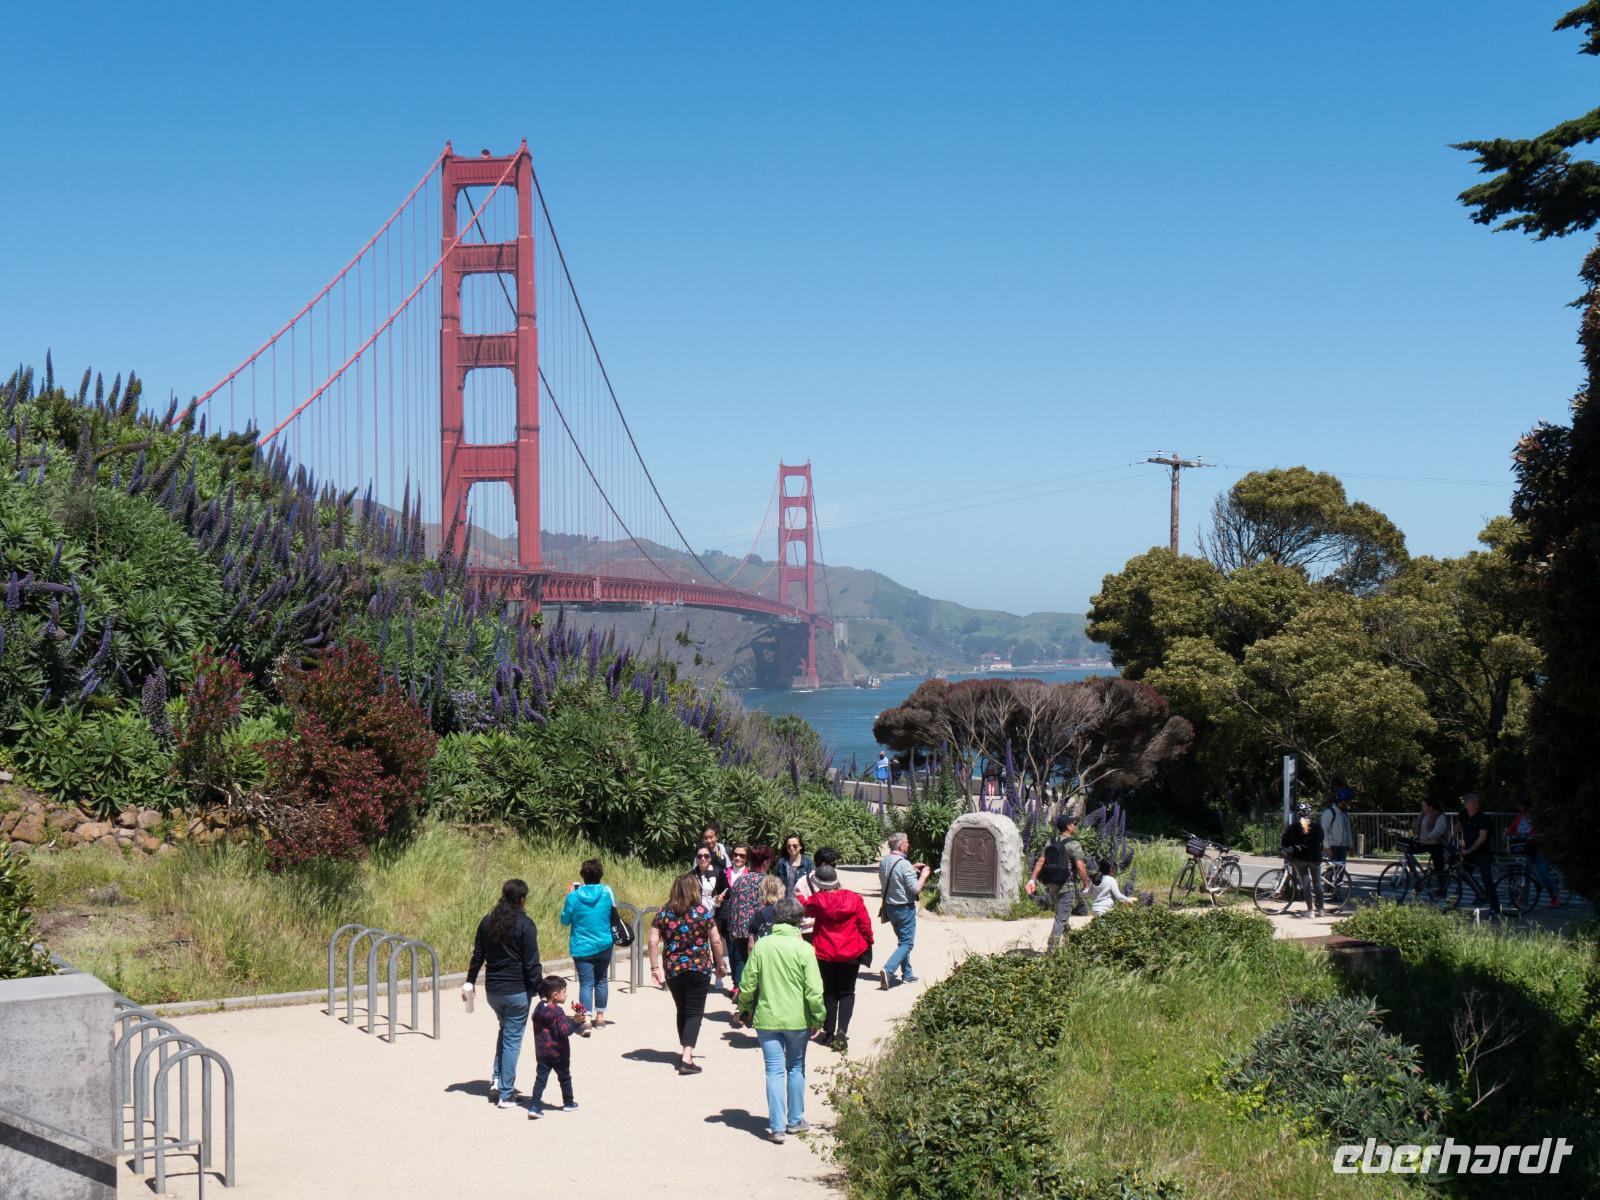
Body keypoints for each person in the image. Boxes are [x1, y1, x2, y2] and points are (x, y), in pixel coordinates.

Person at [737, 898, 825, 1144]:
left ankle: (776, 1126)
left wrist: (744, 1007)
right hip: (798, 1019)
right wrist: (818, 1016)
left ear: (775, 919)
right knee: (796, 1067)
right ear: (799, 921)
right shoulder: (805, 949)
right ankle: (795, 1120)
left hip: (767, 1019)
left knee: (773, 1071)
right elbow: (814, 990)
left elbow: (748, 982)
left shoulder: (763, 946)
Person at [463, 879, 543, 1108]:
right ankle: (506, 1094)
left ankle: (497, 1081)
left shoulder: (487, 921)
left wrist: (470, 983)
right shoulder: (526, 925)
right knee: (512, 1040)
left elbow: (478, 956)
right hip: (517, 992)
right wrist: (542, 990)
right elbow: (531, 964)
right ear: (521, 899)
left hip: (493, 992)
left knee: (505, 1032)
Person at [648, 873, 728, 1074]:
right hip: (698, 967)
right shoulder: (703, 912)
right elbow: (716, 941)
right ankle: (687, 1056)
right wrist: (720, 965)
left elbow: (652, 941)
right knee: (694, 1012)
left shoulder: (664, 913)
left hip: (673, 968)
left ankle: (685, 1048)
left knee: (682, 1009)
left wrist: (654, 968)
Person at [800, 863, 872, 1051]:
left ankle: (829, 1033)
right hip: (851, 951)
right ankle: (842, 1030)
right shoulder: (853, 898)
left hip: (826, 952)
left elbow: (804, 910)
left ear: (819, 884)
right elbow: (864, 923)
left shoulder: (817, 901)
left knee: (829, 992)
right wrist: (868, 941)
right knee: (847, 992)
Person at [559, 858, 615, 1031]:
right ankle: (600, 1018)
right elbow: (613, 910)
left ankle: (586, 1019)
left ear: (582, 875)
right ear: (601, 875)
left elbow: (564, 920)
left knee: (586, 983)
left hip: (581, 946)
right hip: (604, 943)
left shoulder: (574, 897)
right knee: (601, 980)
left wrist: (569, 896)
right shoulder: (607, 892)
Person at [1025, 812, 1092, 947]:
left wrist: (1032, 880)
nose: (1075, 826)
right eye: (1073, 823)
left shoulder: (1050, 842)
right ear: (1068, 826)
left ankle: (1071, 943)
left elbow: (1040, 862)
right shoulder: (1074, 844)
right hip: (1066, 886)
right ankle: (1051, 950)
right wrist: (1086, 884)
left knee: (1063, 914)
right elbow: (1080, 866)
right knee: (1061, 919)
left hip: (1052, 886)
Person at [877, 832, 930, 988]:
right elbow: (915, 889)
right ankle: (888, 970)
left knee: (902, 942)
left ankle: (907, 974)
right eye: (907, 842)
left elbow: (894, 877)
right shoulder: (903, 864)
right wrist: (924, 876)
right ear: (901, 845)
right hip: (904, 908)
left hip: (890, 907)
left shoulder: (885, 861)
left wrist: (911, 868)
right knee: (907, 943)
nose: (909, 844)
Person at [527, 975, 582, 1118]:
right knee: (564, 1078)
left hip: (542, 1053)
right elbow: (565, 1031)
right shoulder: (558, 1012)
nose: (566, 994)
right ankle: (569, 1102)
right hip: (559, 1053)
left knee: (540, 1080)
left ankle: (534, 1105)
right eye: (564, 992)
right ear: (555, 995)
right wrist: (575, 1022)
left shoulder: (539, 1009)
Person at [724, 845, 773, 992]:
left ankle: (745, 1007)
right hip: (761, 936)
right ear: (766, 862)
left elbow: (732, 908)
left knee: (747, 972)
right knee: (762, 976)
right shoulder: (769, 882)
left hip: (739, 934)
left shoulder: (740, 881)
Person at [1508, 796, 1560, 907]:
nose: (1518, 807)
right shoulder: (1519, 817)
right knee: (1524, 874)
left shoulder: (1536, 819)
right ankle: (1523, 898)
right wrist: (1507, 834)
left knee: (1542, 873)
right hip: (1524, 849)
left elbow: (1542, 832)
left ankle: (1554, 896)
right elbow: (1511, 829)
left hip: (1537, 848)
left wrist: (1535, 837)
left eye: (1520, 805)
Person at [1459, 792, 1501, 917]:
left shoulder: (1482, 818)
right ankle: (1481, 893)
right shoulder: (1464, 814)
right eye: (1467, 802)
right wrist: (1455, 837)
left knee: (1487, 880)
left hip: (1482, 852)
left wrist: (1469, 849)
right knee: (1464, 874)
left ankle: (1495, 909)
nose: (1468, 805)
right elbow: (1459, 825)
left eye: (1470, 803)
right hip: (1469, 851)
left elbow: (1482, 837)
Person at [1280, 802, 1325, 917]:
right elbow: (1321, 839)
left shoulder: (1293, 827)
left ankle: (1310, 910)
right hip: (1315, 858)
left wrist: (1287, 849)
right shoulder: (1317, 827)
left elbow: (1286, 842)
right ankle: (1321, 910)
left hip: (1301, 859)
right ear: (1310, 813)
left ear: (1298, 814)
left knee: (1306, 884)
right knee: (1317, 884)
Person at [1415, 797, 1452, 877]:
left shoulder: (1439, 816)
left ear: (1430, 807)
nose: (1422, 808)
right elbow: (1418, 827)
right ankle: (1414, 871)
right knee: (1408, 848)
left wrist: (1427, 838)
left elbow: (1438, 831)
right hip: (1423, 843)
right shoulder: (1423, 815)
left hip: (1436, 844)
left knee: (1439, 867)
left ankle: (1442, 885)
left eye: (1424, 806)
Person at [1320, 786, 1354, 866]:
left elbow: (1347, 830)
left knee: (1340, 872)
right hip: (1332, 847)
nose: (1350, 803)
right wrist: (1327, 847)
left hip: (1343, 847)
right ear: (1343, 801)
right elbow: (1324, 830)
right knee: (1331, 872)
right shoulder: (1329, 812)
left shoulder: (1345, 814)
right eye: (1348, 801)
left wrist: (1350, 845)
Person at [748, 874, 788, 942]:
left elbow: (751, 945)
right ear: (781, 890)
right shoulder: (789, 912)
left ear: (763, 892)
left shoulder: (758, 916)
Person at [692, 845, 730, 912]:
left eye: (706, 856)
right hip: (697, 915)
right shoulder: (691, 875)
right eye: (699, 856)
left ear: (710, 857)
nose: (703, 858)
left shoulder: (719, 872)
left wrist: (721, 897)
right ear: (696, 858)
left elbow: (727, 890)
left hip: (715, 913)